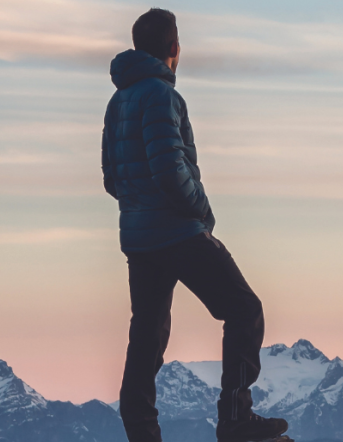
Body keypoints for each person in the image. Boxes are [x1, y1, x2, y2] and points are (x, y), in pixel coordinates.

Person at [102, 8, 290, 442]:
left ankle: (142, 433)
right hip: (178, 232)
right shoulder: (162, 96)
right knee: (245, 310)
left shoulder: (118, 101)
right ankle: (236, 419)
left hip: (137, 238)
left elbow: (112, 178)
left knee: (146, 338)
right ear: (175, 49)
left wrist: (138, 208)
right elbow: (170, 169)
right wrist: (201, 213)